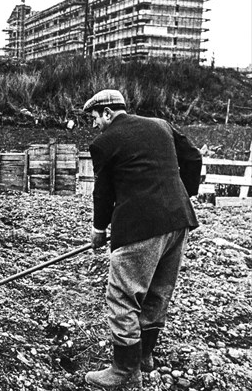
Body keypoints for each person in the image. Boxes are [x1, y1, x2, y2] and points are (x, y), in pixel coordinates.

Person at [83, 89, 202, 390]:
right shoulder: (160, 125)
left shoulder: (104, 142)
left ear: (107, 113)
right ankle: (144, 357)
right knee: (158, 292)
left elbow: (103, 192)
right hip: (178, 222)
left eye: (94, 118)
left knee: (123, 296)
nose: (94, 125)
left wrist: (99, 230)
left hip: (139, 227)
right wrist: (181, 196)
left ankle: (124, 370)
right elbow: (193, 157)